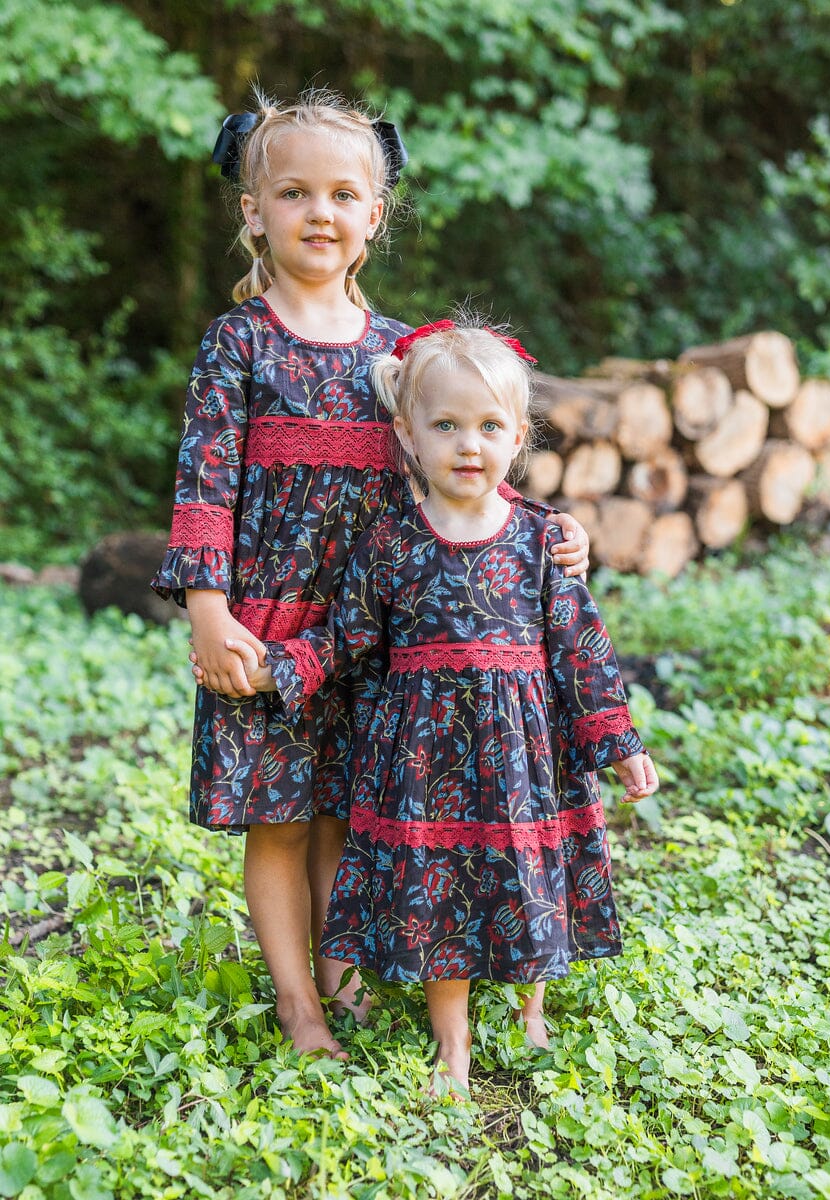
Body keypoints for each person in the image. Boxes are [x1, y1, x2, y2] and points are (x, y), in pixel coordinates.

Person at [153, 91, 593, 1061]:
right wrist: (208, 613)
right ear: (252, 210)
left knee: (348, 811)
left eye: (345, 193)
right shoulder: (242, 343)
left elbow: (459, 476)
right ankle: (298, 1004)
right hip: (266, 629)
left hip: (378, 630)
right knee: (277, 819)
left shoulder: (398, 357)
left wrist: (551, 533)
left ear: (373, 217)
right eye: (295, 191)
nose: (321, 211)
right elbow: (204, 483)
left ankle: (348, 980)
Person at [219, 320, 659, 1092]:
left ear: (518, 437)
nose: (468, 445)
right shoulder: (390, 543)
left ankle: (530, 1007)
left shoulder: (538, 540)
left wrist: (617, 741)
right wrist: (276, 670)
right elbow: (346, 634)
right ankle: (450, 1041)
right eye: (447, 425)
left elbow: (580, 647)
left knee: (528, 875)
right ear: (406, 436)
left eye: (490, 427)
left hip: (524, 754)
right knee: (443, 890)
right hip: (428, 763)